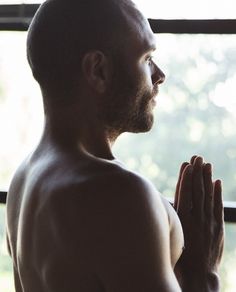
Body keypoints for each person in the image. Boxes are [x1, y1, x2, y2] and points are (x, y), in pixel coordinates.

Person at [6, 0, 224, 291]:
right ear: (98, 70)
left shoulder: (23, 180)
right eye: (147, 59)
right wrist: (202, 272)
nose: (159, 75)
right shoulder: (120, 195)